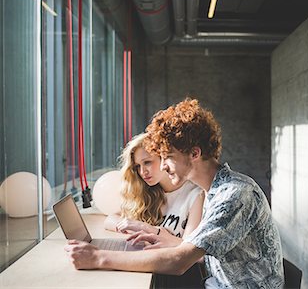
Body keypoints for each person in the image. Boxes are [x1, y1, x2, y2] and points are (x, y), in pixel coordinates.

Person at [64, 98, 284, 288]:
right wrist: (165, 239)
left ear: (194, 153)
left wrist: (98, 257)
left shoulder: (235, 195)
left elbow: (179, 262)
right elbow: (198, 251)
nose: (165, 165)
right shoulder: (215, 190)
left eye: (167, 156)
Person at [103, 133, 204, 246]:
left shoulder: (196, 194)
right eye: (137, 166)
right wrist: (135, 229)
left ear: (164, 158)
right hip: (149, 257)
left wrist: (146, 228)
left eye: (147, 162)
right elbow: (110, 219)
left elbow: (189, 248)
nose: (142, 172)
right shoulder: (149, 193)